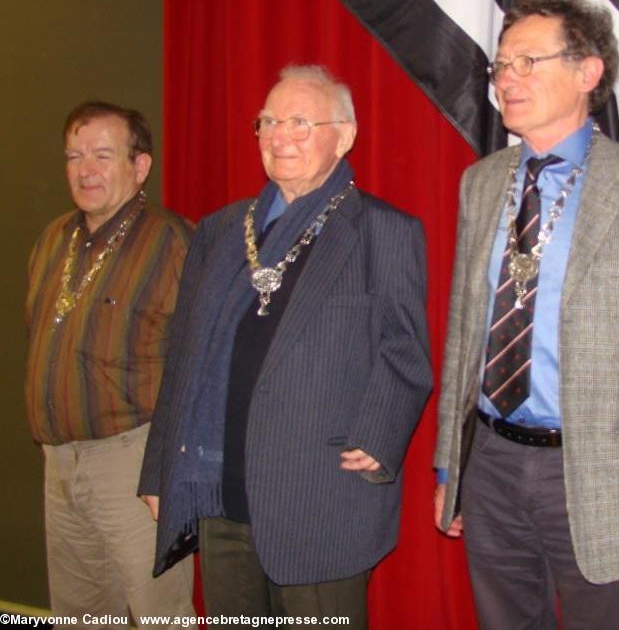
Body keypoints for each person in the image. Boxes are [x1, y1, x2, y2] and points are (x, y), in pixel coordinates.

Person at [434, 0, 619, 630]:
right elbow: (464, 333)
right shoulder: (481, 182)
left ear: (589, 73)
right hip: (492, 463)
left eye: (529, 61)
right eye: (502, 65)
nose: (508, 79)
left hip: (599, 472)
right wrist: (453, 462)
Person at [139, 65, 432, 627]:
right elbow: (183, 360)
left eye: (300, 121)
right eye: (268, 122)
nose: (279, 136)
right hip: (221, 493)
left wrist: (379, 432)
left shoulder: (382, 231)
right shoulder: (221, 231)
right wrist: (160, 471)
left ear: (344, 135)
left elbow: (405, 352)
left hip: (320, 495)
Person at [25, 101, 195, 627]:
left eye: (103, 155)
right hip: (59, 463)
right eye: (75, 156)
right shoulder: (53, 239)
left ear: (139, 167)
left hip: (135, 464)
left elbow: (198, 371)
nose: (85, 169)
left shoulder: (175, 243)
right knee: (78, 616)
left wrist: (170, 469)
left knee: (159, 615)